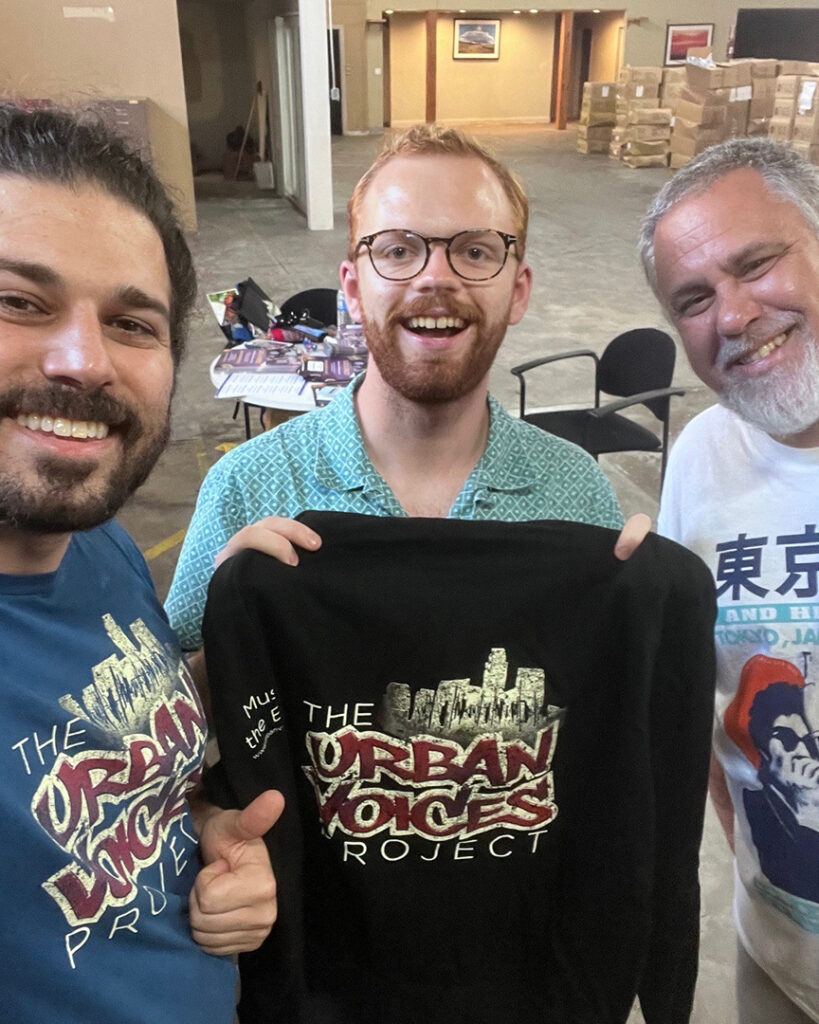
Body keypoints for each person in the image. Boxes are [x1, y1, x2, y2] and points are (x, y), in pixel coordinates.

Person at [0, 104, 280, 1023]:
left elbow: (116, 741)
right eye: (18, 302)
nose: (82, 360)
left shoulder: (100, 544)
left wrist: (200, 832)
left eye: (131, 322)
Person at [166, 124, 642, 652]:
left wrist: (640, 623)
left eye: (477, 252)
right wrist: (233, 628)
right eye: (397, 250)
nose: (435, 277)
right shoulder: (247, 489)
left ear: (518, 292)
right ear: (352, 290)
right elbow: (170, 716)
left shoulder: (577, 495)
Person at [641, 137, 819, 1024]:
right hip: (781, 959)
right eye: (694, 299)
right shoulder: (704, 456)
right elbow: (698, 694)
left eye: (757, 263)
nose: (736, 314)